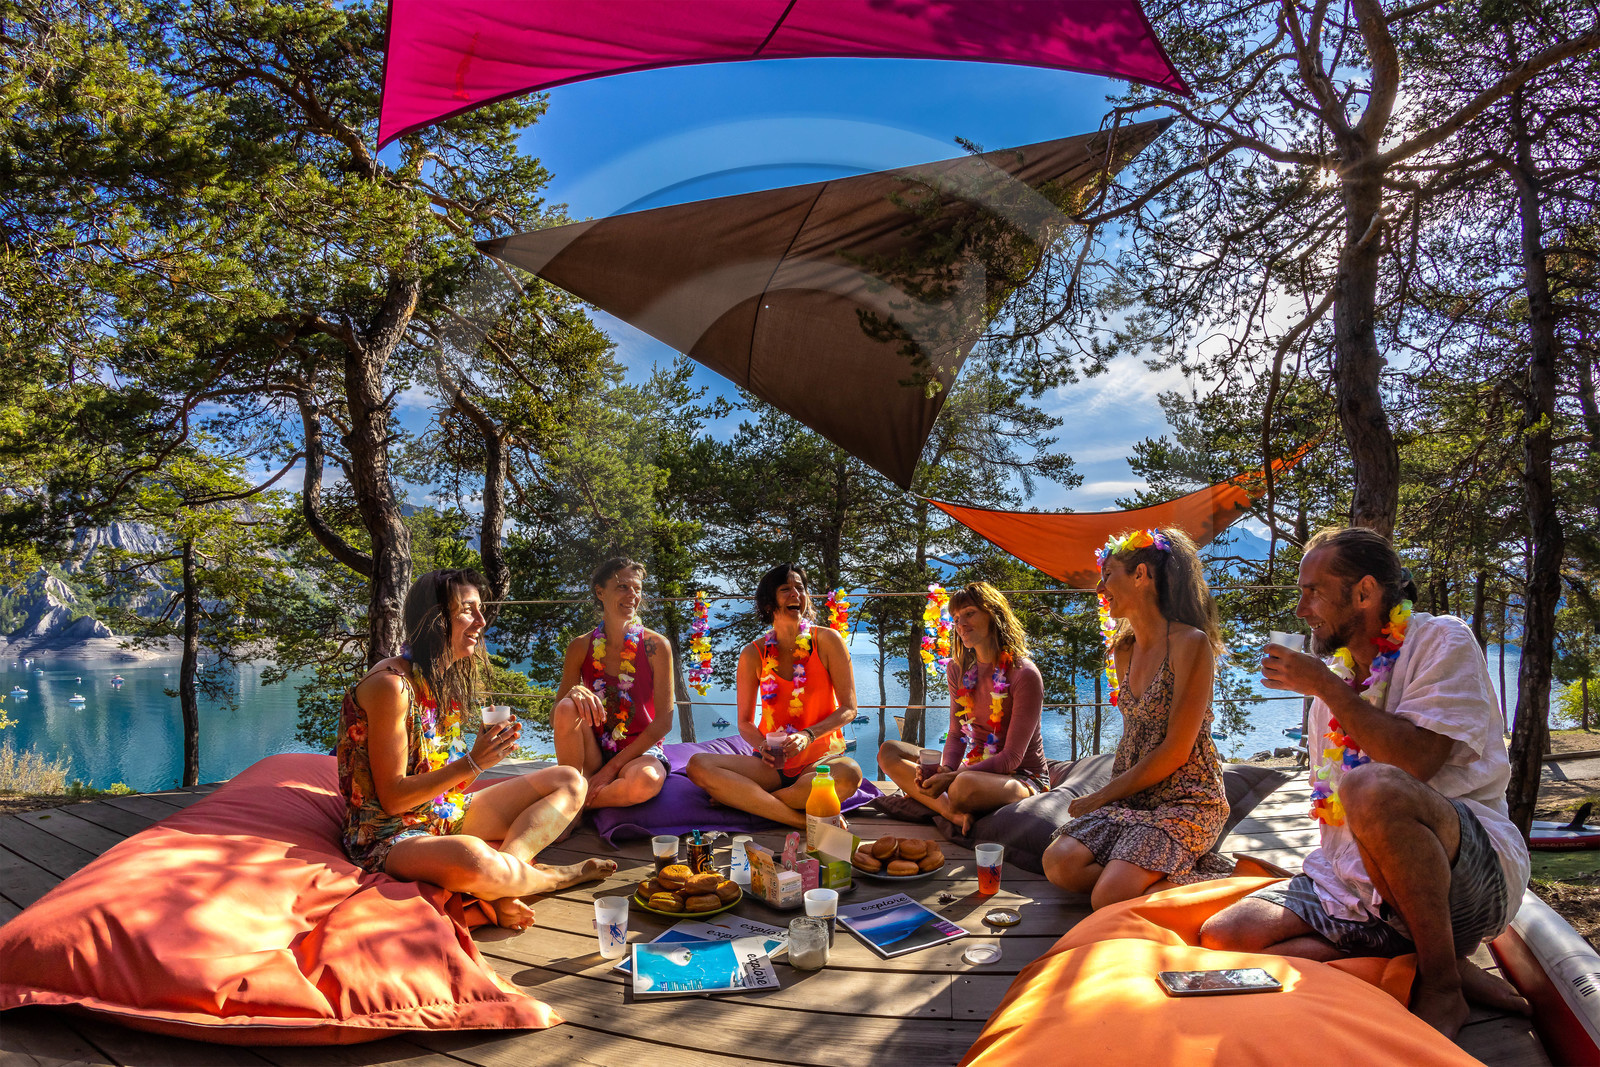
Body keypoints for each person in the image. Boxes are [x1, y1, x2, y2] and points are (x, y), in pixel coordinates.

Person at [1198, 527, 1531, 1038]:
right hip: (1357, 883)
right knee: (1226, 937)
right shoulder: (1335, 680)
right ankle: (1420, 958)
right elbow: (1333, 815)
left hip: (1466, 874)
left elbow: (1414, 762)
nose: (1301, 609)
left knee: (1371, 788)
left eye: (1313, 592)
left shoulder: (1440, 640)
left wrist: (1325, 687)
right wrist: (1329, 687)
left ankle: (1443, 985)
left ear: (1365, 592)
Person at [337, 569, 614, 930]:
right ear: (435, 618)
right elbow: (392, 800)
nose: (482, 622)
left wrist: (485, 757)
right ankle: (554, 877)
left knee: (570, 781)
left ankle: (507, 878)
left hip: (441, 813)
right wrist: (473, 762)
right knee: (474, 859)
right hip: (388, 834)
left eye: (480, 610)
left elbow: (448, 786)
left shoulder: (440, 678)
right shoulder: (391, 686)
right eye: (468, 610)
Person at [1041, 528, 1233, 909]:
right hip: (1135, 801)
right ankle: (1166, 878)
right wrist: (1115, 798)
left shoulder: (1190, 644)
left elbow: (1176, 750)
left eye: (1108, 575)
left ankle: (1217, 886)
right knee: (1058, 863)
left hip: (1187, 800)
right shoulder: (1124, 651)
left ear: (1141, 575)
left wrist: (1100, 796)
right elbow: (1134, 736)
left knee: (1107, 897)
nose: (1100, 588)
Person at [686, 563, 862, 827]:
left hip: (821, 760)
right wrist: (762, 747)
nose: (796, 594)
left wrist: (807, 735)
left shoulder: (827, 640)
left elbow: (849, 709)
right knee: (698, 765)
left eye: (800, 588)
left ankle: (747, 800)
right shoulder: (753, 653)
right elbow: (745, 722)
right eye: (785, 589)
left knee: (850, 773)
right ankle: (799, 819)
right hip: (771, 765)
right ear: (769, 602)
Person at [879, 582, 1048, 833]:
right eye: (956, 619)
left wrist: (951, 778)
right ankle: (951, 812)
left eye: (969, 614)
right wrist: (945, 769)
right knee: (889, 751)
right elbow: (957, 734)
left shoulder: (1024, 674)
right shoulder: (957, 669)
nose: (961, 625)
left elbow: (1012, 757)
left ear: (994, 615)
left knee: (962, 787)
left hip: (1020, 777)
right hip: (972, 767)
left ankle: (944, 802)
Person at [552, 557, 673, 809]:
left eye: (637, 589)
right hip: (594, 749)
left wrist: (610, 771)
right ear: (600, 592)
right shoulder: (580, 646)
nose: (632, 595)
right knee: (566, 706)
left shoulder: (656, 646)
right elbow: (556, 718)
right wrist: (573, 693)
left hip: (639, 753)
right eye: (622, 587)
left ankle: (572, 804)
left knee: (647, 782)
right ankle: (574, 792)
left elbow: (664, 722)